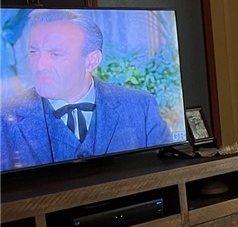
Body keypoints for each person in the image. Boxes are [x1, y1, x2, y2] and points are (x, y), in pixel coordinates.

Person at [0, 9, 172, 171]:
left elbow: (166, 169)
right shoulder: (5, 116)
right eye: (34, 52)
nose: (40, 65)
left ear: (91, 61)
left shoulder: (141, 106)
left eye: (55, 54)